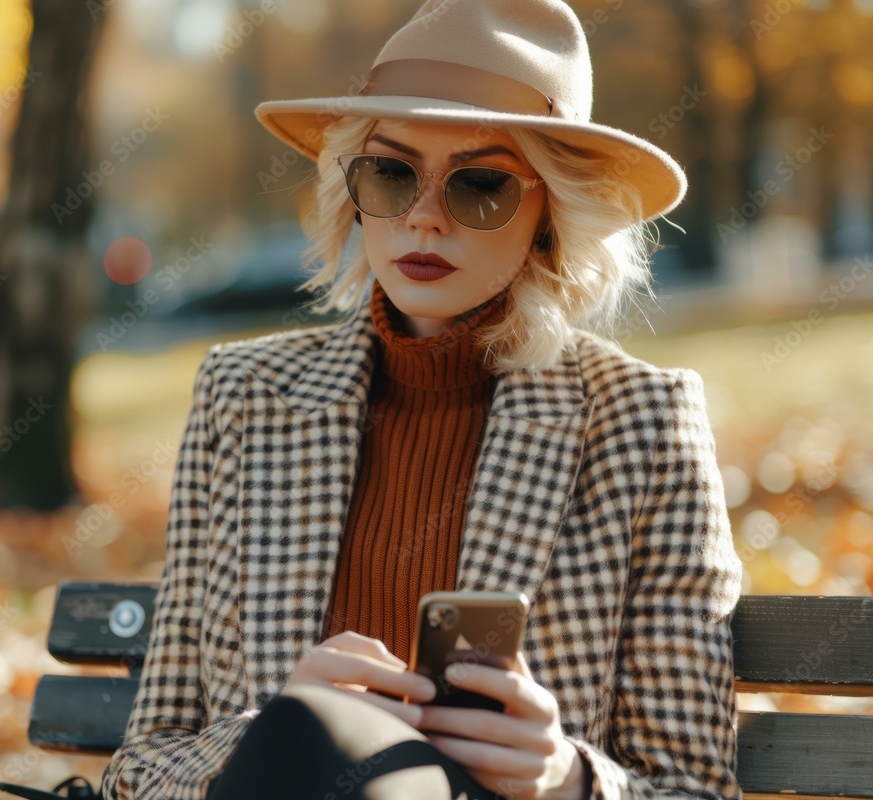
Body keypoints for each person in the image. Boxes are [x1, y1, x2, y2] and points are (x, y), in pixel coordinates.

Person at [102, 1, 743, 798]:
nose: (425, 218)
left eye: (480, 186)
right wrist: (278, 725)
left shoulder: (641, 425)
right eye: (391, 173)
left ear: (551, 217)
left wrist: (566, 776)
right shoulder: (245, 398)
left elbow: (694, 788)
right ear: (353, 189)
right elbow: (140, 770)